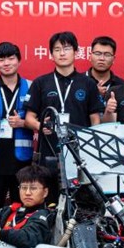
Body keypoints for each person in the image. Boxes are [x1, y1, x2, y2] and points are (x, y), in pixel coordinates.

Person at [23, 31, 104, 202]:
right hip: (49, 153)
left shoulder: (88, 83)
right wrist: (40, 126)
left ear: (76, 52)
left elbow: (95, 120)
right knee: (50, 201)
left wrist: (92, 150)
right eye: (57, 49)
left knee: (80, 202)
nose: (62, 53)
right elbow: (29, 118)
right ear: (51, 54)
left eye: (66, 49)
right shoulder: (41, 83)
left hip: (79, 154)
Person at [0, 42, 33, 211]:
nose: (6, 63)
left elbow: (39, 119)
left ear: (19, 60)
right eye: (1, 60)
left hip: (22, 160)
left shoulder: (32, 86)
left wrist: (23, 123)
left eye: (11, 58)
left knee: (22, 208)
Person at [0, 165, 54, 248]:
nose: (27, 193)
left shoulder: (44, 215)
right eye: (24, 188)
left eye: (33, 188)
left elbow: (25, 238)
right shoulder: (9, 210)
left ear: (45, 192)